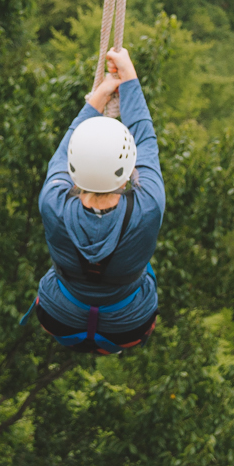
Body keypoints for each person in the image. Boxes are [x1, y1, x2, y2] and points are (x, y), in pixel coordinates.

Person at [32, 46, 163, 350]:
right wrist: (128, 77)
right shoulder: (148, 208)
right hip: (129, 325)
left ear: (73, 168)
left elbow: (68, 145)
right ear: (127, 167)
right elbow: (144, 139)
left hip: (58, 315)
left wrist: (102, 92)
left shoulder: (53, 202)